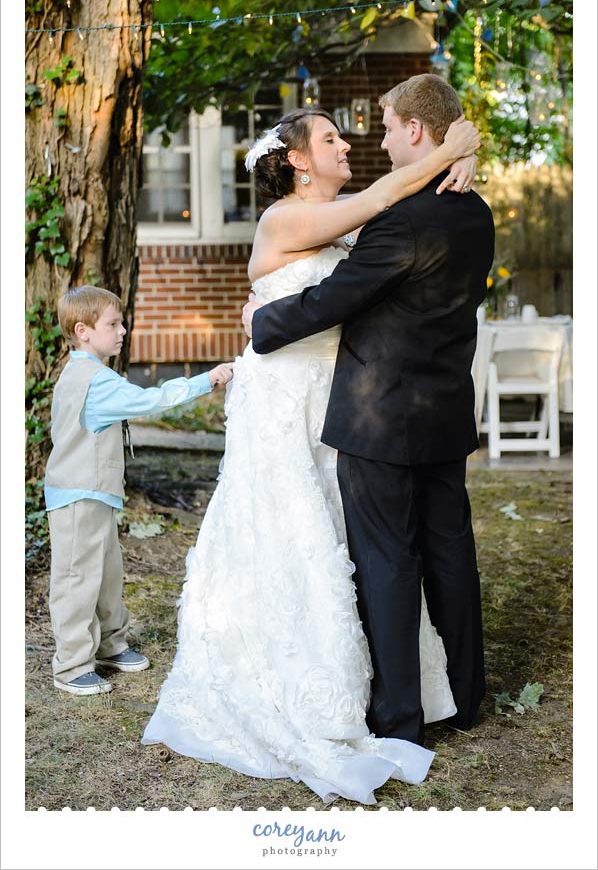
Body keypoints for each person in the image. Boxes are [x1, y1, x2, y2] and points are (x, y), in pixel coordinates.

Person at [142, 102, 480, 805]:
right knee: (295, 542)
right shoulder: (285, 219)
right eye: (329, 138)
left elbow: (398, 207)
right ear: (297, 158)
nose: (346, 144)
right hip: (286, 399)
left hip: (343, 399)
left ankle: (366, 686)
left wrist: (465, 155)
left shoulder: (349, 212)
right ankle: (297, 686)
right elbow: (395, 190)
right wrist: (456, 144)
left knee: (349, 547)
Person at [244, 75, 495, 749]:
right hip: (444, 413)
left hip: (378, 418)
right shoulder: (476, 210)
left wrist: (262, 325)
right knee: (450, 554)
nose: (375, 140)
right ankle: (467, 696)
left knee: (387, 563)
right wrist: (463, 152)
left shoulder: (401, 217)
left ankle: (401, 722)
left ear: (416, 130)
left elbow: (334, 300)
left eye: (385, 128)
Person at [44, 285, 233, 696]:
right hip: (77, 494)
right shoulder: (94, 381)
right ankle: (72, 663)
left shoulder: (91, 374)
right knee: (77, 578)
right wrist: (207, 380)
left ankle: (111, 642)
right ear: (83, 331)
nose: (123, 330)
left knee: (107, 574)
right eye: (113, 324)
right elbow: (153, 399)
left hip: (95, 492)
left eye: (122, 322)